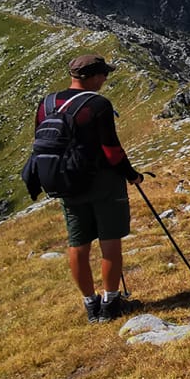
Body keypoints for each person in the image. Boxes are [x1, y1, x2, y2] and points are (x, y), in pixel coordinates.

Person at [37, 54, 142, 323]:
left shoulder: (47, 103)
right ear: (94, 76)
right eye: (104, 74)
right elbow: (111, 149)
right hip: (102, 182)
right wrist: (131, 175)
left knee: (78, 244)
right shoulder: (98, 104)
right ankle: (111, 304)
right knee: (110, 241)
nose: (106, 79)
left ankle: (90, 306)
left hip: (66, 183)